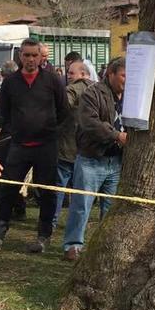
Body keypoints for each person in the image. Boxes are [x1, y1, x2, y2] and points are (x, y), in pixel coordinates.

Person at [0, 38, 67, 254]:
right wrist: (18, 129)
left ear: (40, 57)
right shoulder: (10, 83)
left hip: (46, 146)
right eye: (26, 55)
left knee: (46, 192)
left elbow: (64, 110)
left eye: (34, 55)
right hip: (19, 145)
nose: (30, 59)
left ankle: (43, 237)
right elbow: (4, 112)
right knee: (8, 189)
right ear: (20, 56)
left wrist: (50, 130)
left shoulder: (53, 80)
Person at [61, 57, 127, 261]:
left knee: (110, 208)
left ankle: (104, 248)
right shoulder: (93, 93)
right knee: (82, 205)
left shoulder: (132, 96)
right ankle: (72, 246)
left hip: (115, 161)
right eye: (124, 75)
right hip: (91, 159)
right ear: (111, 74)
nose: (127, 80)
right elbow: (89, 122)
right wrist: (117, 135)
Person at [52, 60, 95, 230]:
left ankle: (52, 222)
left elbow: (62, 106)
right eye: (67, 73)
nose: (68, 77)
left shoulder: (72, 89)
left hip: (68, 146)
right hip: (88, 149)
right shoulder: (100, 90)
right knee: (82, 192)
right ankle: (79, 225)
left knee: (59, 188)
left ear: (83, 74)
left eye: (72, 73)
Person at [0, 60, 27, 221]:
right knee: (18, 174)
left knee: (5, 175)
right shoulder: (26, 89)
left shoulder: (2, 93)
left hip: (6, 139)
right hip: (22, 137)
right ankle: (20, 207)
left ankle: (8, 208)